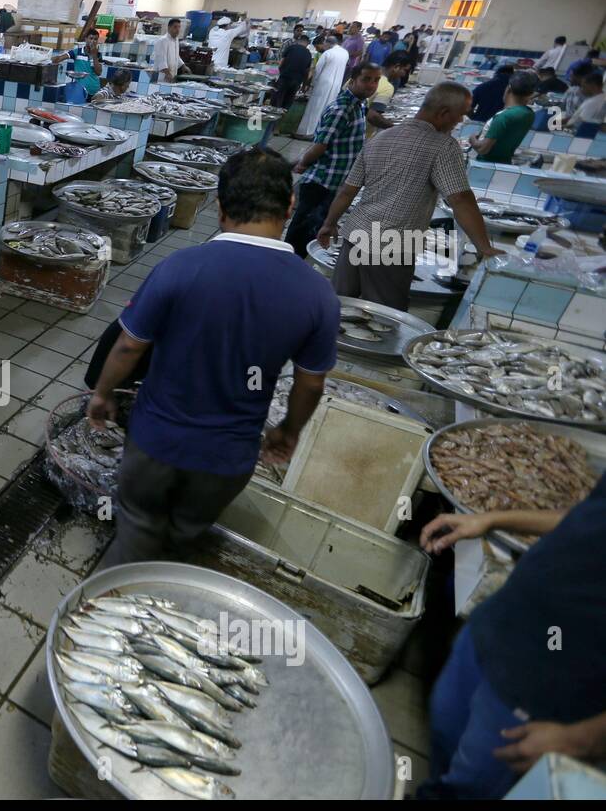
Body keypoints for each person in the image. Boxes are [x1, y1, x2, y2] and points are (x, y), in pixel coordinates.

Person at [90, 148, 339, 569]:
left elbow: (130, 345)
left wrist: (103, 394)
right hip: (228, 459)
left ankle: (106, 611)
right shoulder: (317, 294)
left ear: (220, 207)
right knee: (185, 539)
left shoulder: (181, 267)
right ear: (290, 206)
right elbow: (311, 383)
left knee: (136, 532)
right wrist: (288, 431)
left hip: (156, 444)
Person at [415, 476, 606, 799]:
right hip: (499, 624)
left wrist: (583, 739)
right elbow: (589, 514)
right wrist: (492, 519)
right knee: (444, 730)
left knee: (470, 787)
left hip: (549, 685)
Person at [318, 82, 501, 310]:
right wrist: (484, 247)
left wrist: (329, 224)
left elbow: (348, 190)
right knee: (383, 314)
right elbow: (460, 199)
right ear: (444, 113)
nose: (460, 122)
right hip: (393, 242)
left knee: (341, 306)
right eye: (460, 116)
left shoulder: (380, 138)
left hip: (355, 234)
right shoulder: (443, 146)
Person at [284, 63, 382, 256]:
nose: (371, 85)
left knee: (312, 232)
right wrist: (303, 163)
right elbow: (320, 145)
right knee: (301, 235)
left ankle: (293, 268)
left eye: (376, 80)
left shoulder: (359, 104)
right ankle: (285, 268)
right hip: (321, 183)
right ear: (353, 81)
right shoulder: (342, 109)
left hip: (334, 182)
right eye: (366, 79)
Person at [469, 70, 539, 163]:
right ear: (531, 94)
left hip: (485, 164)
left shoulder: (504, 117)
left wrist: (472, 139)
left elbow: (483, 149)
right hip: (505, 162)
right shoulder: (529, 114)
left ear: (508, 88)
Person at [294, 36, 349, 139]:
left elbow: (317, 70)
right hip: (336, 85)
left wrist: (311, 84)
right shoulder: (345, 53)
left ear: (327, 43)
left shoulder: (328, 53)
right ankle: (320, 133)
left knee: (315, 108)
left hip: (323, 84)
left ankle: (307, 133)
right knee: (327, 109)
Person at [366, 51, 413, 135]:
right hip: (359, 134)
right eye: (405, 70)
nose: (404, 75)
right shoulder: (387, 87)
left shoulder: (363, 74)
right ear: (396, 67)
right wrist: (395, 128)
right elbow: (373, 116)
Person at [271, 32, 311, 110]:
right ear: (307, 43)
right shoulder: (308, 53)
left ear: (299, 41)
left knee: (277, 101)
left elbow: (281, 63)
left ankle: (272, 119)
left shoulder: (291, 48)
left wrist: (280, 73)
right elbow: (307, 71)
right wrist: (303, 86)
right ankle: (280, 119)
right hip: (297, 81)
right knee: (287, 102)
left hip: (285, 78)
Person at [152, 18, 187, 83]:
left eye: (179, 27)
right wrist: (168, 74)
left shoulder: (176, 40)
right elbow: (161, 60)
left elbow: (176, 56)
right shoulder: (162, 40)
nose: (178, 30)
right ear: (169, 28)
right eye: (175, 27)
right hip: (161, 76)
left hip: (171, 75)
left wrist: (183, 65)